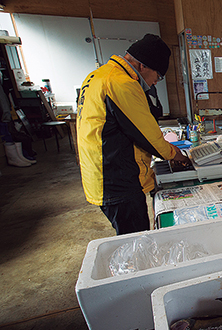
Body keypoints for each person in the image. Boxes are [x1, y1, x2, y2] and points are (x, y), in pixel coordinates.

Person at [76, 33, 190, 235]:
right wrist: (177, 155)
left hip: (102, 174)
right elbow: (148, 137)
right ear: (143, 65)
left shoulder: (101, 75)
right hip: (117, 180)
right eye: (158, 76)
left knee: (130, 236)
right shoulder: (121, 83)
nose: (156, 82)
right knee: (136, 241)